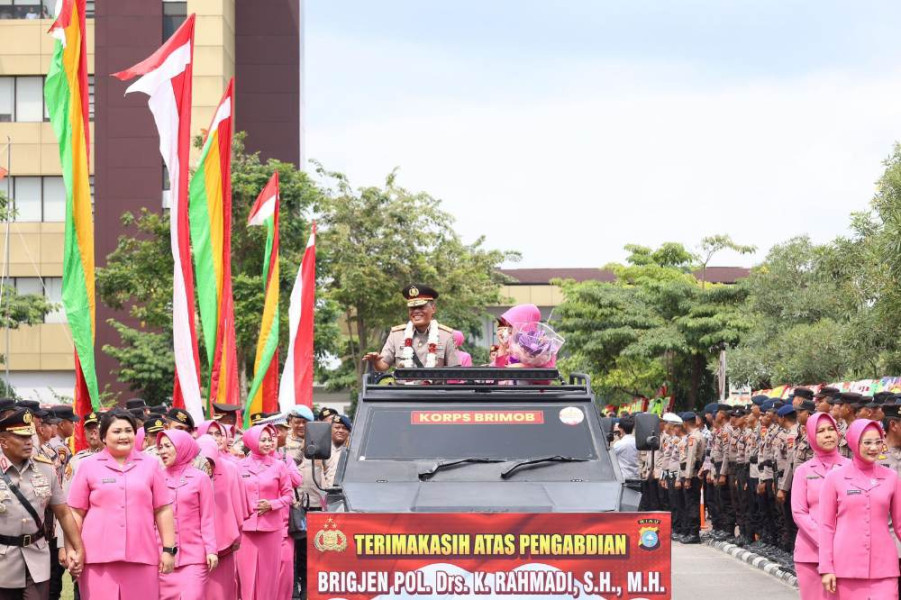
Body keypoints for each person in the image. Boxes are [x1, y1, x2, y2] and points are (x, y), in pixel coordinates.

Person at [67, 409, 176, 600]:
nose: (124, 436)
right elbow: (75, 512)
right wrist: (71, 550)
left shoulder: (151, 465)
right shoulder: (87, 465)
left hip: (143, 556)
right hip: (97, 559)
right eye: (117, 431)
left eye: (128, 430)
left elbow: (163, 509)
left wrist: (168, 549)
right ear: (103, 436)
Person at [0, 408, 85, 599]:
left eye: (29, 436)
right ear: (3, 441)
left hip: (36, 556)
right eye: (21, 437)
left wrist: (77, 549)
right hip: (3, 560)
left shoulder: (45, 468)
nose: (29, 441)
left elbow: (63, 512)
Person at [819, 419, 901, 599]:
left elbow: (900, 524)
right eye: (868, 442)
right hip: (845, 568)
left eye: (878, 442)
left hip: (884, 568)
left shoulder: (891, 477)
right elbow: (826, 526)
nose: (874, 448)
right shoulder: (835, 478)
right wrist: (826, 568)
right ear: (855, 442)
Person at [790, 411, 846, 600]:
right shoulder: (803, 471)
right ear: (812, 435)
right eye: (821, 431)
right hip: (810, 553)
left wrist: (841, 542)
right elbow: (799, 512)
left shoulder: (851, 467)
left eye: (831, 429)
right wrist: (825, 539)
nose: (828, 434)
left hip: (845, 552)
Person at [155, 430, 217, 600]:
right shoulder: (156, 477)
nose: (162, 451)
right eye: (160, 447)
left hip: (194, 557)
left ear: (182, 447)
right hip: (162, 557)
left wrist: (211, 550)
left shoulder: (201, 479)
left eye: (168, 446)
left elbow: (208, 518)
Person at [236, 424, 292, 600]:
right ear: (252, 441)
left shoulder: (279, 466)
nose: (268, 443)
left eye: (270, 439)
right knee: (246, 578)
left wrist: (272, 504)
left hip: (271, 529)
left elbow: (289, 495)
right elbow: (234, 495)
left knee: (268, 578)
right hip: (245, 530)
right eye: (263, 439)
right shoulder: (239, 466)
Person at [196, 435, 247, 600]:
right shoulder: (190, 474)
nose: (208, 467)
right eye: (204, 461)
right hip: (196, 543)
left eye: (211, 461)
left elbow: (238, 502)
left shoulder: (229, 469)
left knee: (222, 590)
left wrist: (236, 533)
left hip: (225, 541)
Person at [362, 284, 460, 371]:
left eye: (421, 307)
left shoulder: (445, 336)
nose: (416, 311)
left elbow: (455, 371)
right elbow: (383, 366)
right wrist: (376, 361)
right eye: (412, 308)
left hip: (433, 390)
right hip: (403, 390)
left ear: (433, 309)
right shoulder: (396, 335)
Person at [679, 412, 705, 544]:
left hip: (692, 475)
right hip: (690, 474)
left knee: (692, 504)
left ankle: (694, 533)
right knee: (689, 503)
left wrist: (688, 478)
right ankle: (691, 531)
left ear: (685, 423)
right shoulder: (693, 436)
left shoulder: (694, 437)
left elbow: (691, 459)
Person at [322, 415, 351, 489]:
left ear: (349, 432)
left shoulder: (352, 451)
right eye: (337, 427)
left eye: (344, 428)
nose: (340, 431)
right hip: (325, 493)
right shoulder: (322, 448)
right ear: (330, 429)